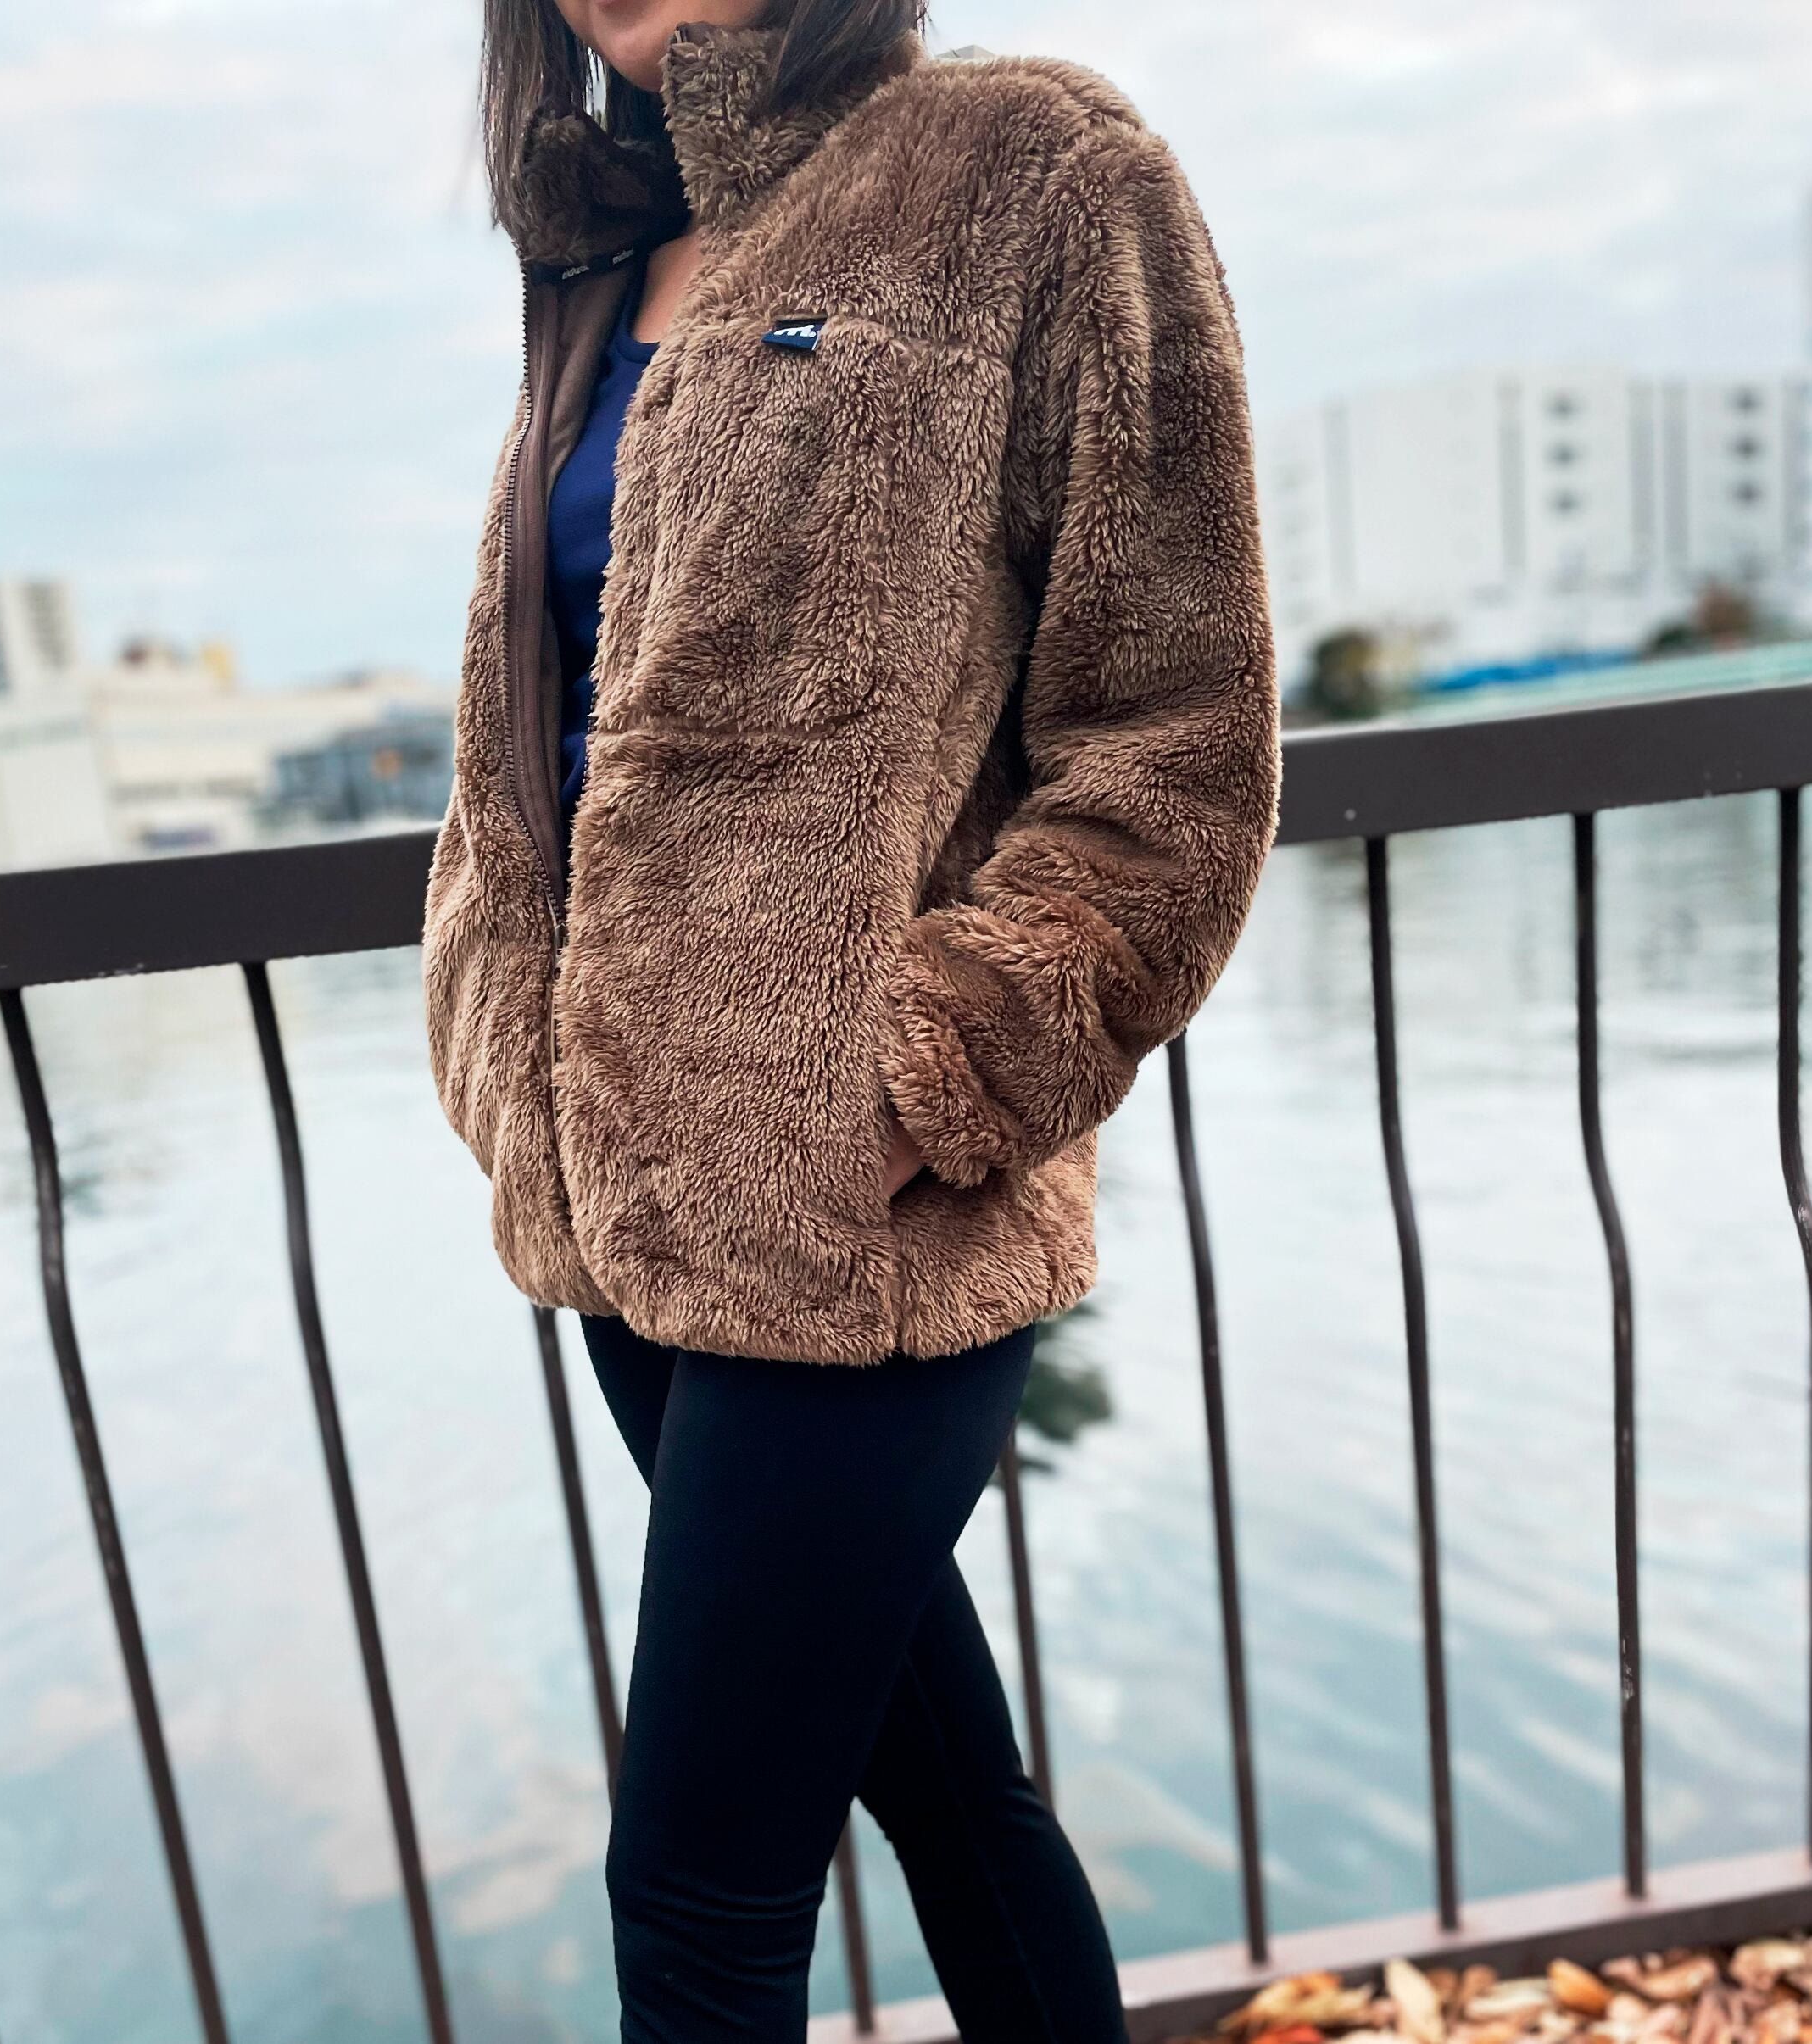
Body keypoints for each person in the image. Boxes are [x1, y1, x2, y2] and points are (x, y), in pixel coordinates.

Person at [423, 0, 1280, 2033]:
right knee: (953, 1799)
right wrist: (495, 1046)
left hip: (860, 1204)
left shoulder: (1031, 170)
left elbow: (1174, 736)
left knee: (696, 1895)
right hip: (621, 1208)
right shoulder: (604, 259)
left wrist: (933, 1066)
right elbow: (552, 728)